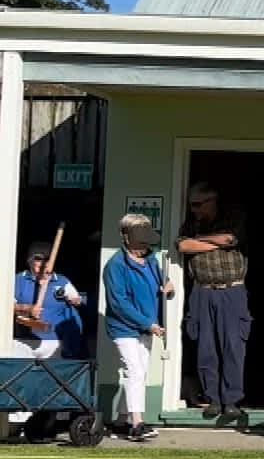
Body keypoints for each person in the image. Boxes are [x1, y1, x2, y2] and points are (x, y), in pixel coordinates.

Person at [175, 182, 250, 418]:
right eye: (191, 205)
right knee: (205, 346)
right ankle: (213, 399)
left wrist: (202, 241)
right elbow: (184, 245)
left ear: (212, 200)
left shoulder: (234, 216)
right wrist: (212, 241)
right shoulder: (190, 223)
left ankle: (232, 400)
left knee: (233, 346)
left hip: (232, 291)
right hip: (202, 291)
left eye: (198, 204)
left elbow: (231, 239)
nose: (194, 210)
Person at [102, 215, 174, 441]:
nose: (145, 245)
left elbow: (162, 285)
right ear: (126, 236)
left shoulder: (152, 261)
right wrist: (147, 323)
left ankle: (121, 421)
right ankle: (137, 422)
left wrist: (168, 287)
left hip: (148, 326)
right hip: (124, 327)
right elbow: (118, 303)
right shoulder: (115, 265)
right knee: (135, 370)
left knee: (138, 374)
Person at [12, 240, 86, 358]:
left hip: (54, 341)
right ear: (29, 260)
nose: (43, 263)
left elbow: (77, 300)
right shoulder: (19, 280)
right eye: (38, 258)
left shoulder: (62, 281)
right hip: (23, 341)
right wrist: (27, 308)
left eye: (47, 259)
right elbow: (6, 306)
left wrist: (75, 300)